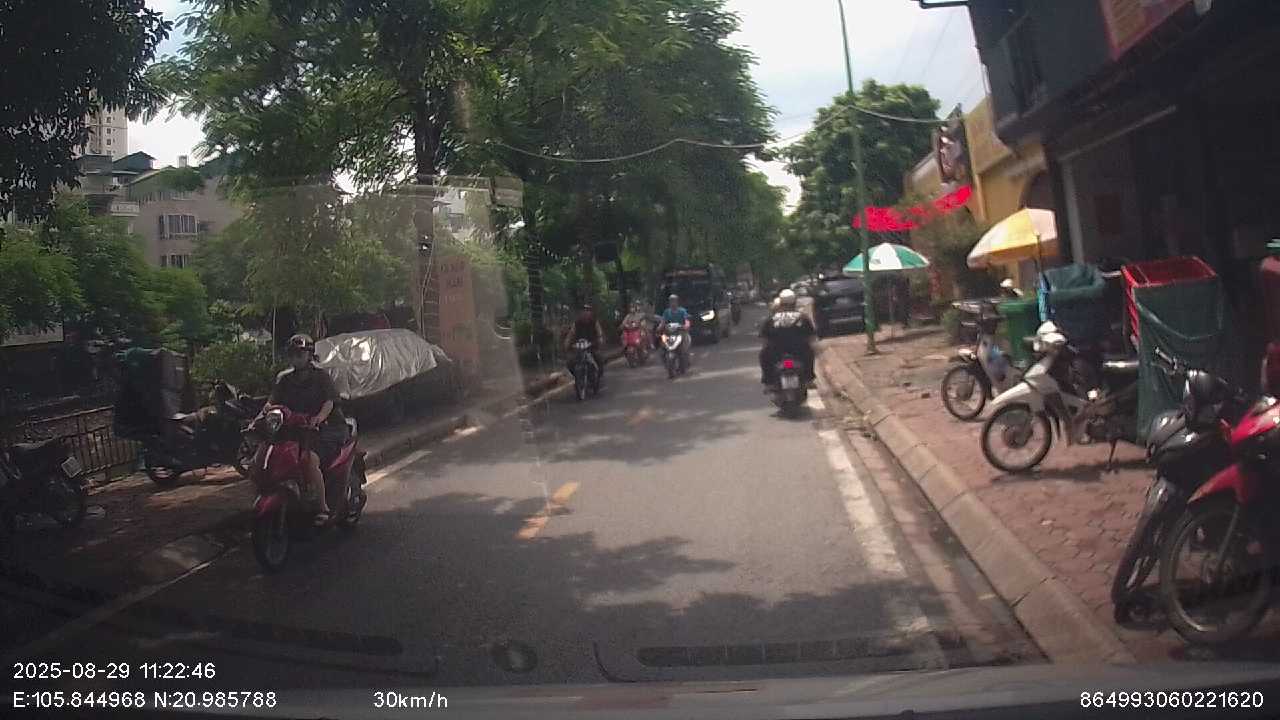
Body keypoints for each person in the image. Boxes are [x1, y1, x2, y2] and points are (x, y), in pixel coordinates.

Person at [264, 334, 347, 525]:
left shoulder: (321, 377)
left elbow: (329, 402)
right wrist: (264, 414)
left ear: (309, 355)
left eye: (299, 354)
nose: (295, 358)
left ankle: (322, 507)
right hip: (295, 429)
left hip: (326, 429)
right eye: (292, 355)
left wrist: (319, 418)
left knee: (309, 461)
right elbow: (271, 402)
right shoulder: (285, 380)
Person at [760, 289, 816, 387]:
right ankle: (809, 379)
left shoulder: (771, 319)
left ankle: (769, 382)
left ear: (780, 303)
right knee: (810, 352)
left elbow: (765, 340)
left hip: (776, 353)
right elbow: (811, 337)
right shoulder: (802, 317)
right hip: (799, 352)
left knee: (763, 355)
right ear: (794, 302)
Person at [566, 302, 606, 383]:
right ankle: (578, 377)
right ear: (580, 313)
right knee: (570, 362)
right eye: (584, 310)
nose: (586, 312)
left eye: (588, 310)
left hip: (592, 345)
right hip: (579, 346)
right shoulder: (577, 323)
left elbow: (599, 332)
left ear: (591, 313)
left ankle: (598, 374)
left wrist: (600, 339)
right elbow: (571, 334)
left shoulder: (594, 322)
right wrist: (567, 344)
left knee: (598, 357)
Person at [660, 294, 692, 365]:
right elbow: (663, 322)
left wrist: (686, 325)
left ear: (677, 302)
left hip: (680, 331)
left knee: (684, 347)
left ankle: (685, 358)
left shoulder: (682, 311)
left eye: (674, 301)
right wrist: (659, 327)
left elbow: (686, 320)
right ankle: (666, 361)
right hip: (669, 332)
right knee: (663, 345)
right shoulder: (666, 312)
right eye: (671, 301)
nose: (673, 303)